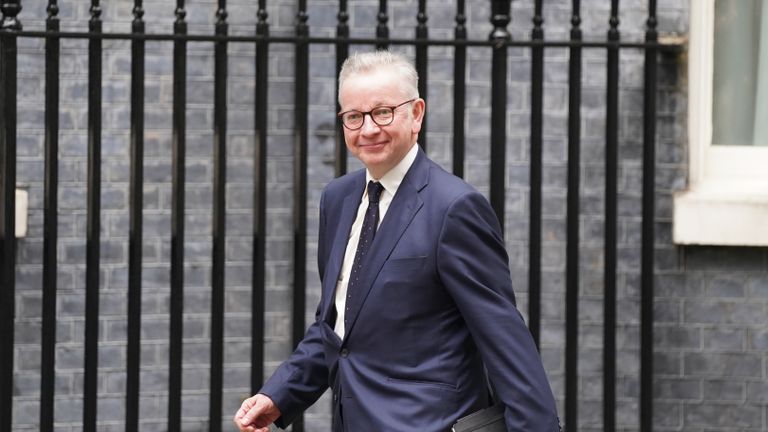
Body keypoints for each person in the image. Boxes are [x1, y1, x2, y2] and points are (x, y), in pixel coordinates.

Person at [234, 50, 560, 432]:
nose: (368, 129)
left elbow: (506, 342)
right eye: (353, 116)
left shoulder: (454, 207)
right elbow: (338, 329)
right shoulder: (336, 200)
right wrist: (279, 394)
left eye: (383, 112)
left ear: (416, 113)